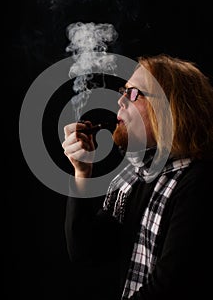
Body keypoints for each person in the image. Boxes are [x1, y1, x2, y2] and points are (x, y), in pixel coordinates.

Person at [62, 54, 213, 300]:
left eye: (133, 94)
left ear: (170, 108)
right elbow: (86, 251)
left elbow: (169, 288)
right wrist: (82, 172)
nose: (120, 100)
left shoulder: (199, 183)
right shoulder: (136, 175)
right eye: (124, 91)